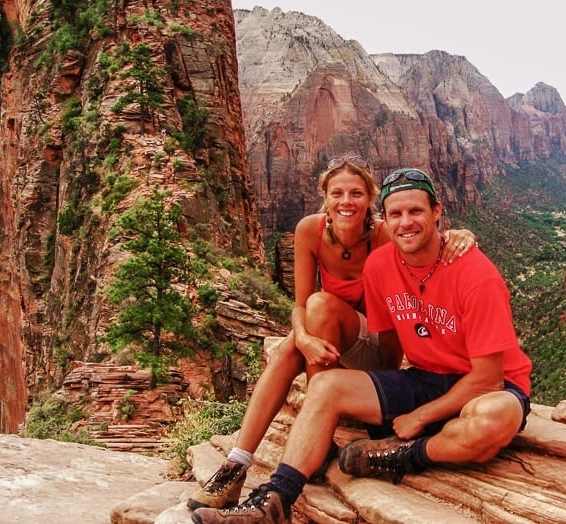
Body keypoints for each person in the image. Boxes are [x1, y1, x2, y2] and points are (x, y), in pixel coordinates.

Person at [190, 167, 531, 524]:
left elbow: (488, 379)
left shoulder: (476, 274)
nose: (406, 223)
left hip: (488, 387)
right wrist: (378, 401)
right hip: (424, 378)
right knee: (324, 385)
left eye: (416, 211)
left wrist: (418, 417)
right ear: (384, 216)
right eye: (396, 214)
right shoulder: (380, 265)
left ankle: (400, 455)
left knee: (493, 418)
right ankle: (273, 501)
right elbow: (385, 350)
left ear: (437, 212)